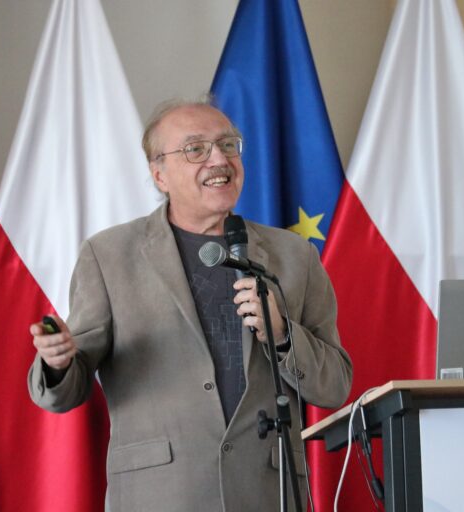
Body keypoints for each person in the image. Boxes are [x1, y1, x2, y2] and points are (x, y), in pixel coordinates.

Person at [27, 99, 352, 511]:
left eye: (228, 145)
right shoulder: (109, 256)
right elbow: (66, 392)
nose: (219, 159)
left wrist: (283, 334)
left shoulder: (294, 255)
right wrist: (57, 364)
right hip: (160, 495)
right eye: (196, 149)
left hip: (267, 494)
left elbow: (335, 385)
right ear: (159, 174)